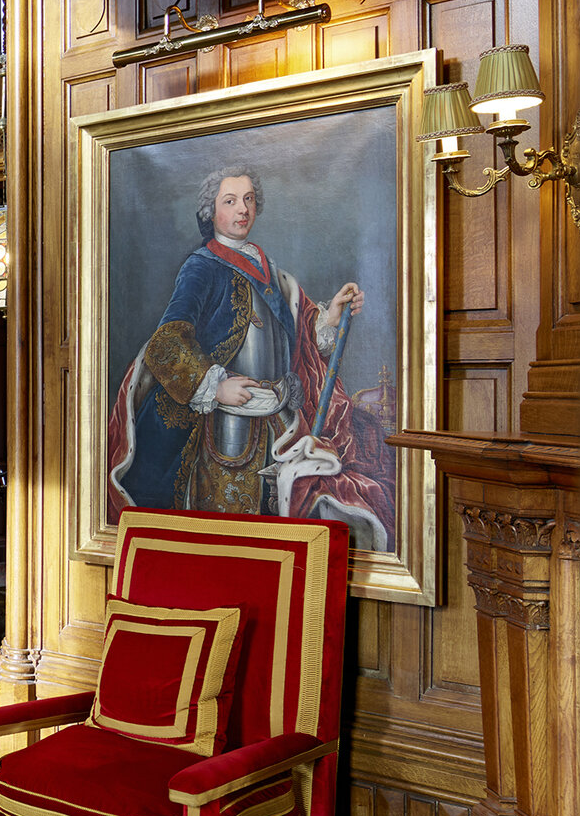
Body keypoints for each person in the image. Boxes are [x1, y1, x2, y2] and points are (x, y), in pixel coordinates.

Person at [105, 164, 394, 549]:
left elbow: (300, 334)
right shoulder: (201, 267)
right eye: (230, 201)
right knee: (227, 541)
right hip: (222, 429)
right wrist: (217, 385)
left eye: (249, 199)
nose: (243, 209)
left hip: (277, 423)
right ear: (212, 213)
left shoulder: (269, 268)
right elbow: (166, 343)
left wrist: (332, 316)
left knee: (276, 536)